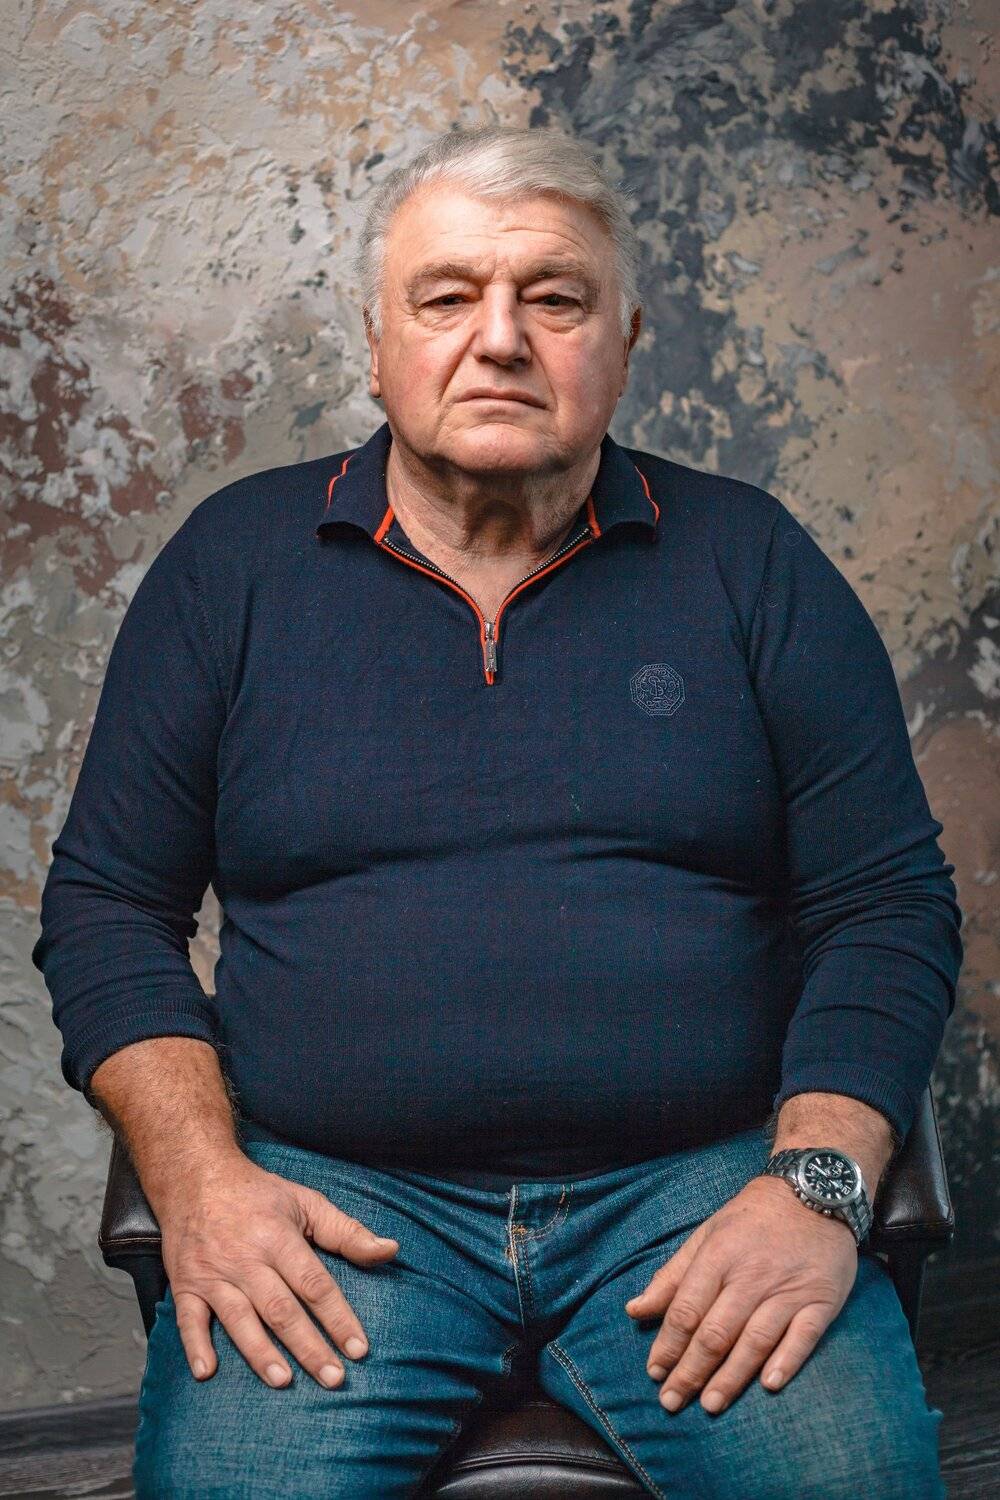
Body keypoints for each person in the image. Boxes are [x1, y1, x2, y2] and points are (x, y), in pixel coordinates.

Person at [32, 124, 961, 1498]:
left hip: (699, 1195)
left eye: (555, 298)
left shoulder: (753, 562)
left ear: (625, 343)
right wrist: (199, 1178)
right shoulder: (233, 566)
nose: (502, 339)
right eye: (448, 296)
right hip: (339, 1208)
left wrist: (816, 1185)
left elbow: (885, 904)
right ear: (377, 343)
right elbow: (108, 908)